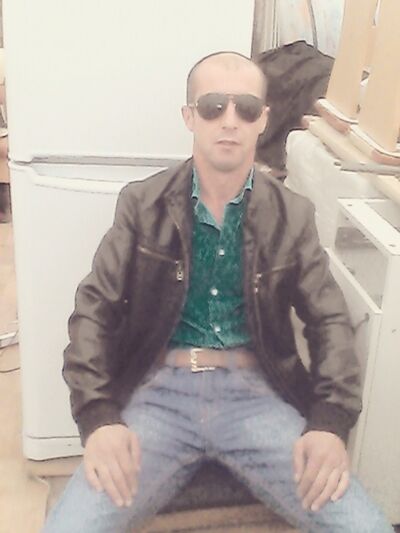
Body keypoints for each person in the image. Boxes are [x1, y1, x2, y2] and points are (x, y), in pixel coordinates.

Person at [43, 52, 393, 532]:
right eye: (212, 107)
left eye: (245, 108)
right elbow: (93, 312)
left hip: (256, 399)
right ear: (189, 116)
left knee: (363, 526)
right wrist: (99, 417)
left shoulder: (291, 215)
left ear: (263, 119)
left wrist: (329, 422)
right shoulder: (142, 204)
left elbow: (329, 320)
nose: (229, 121)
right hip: (159, 398)